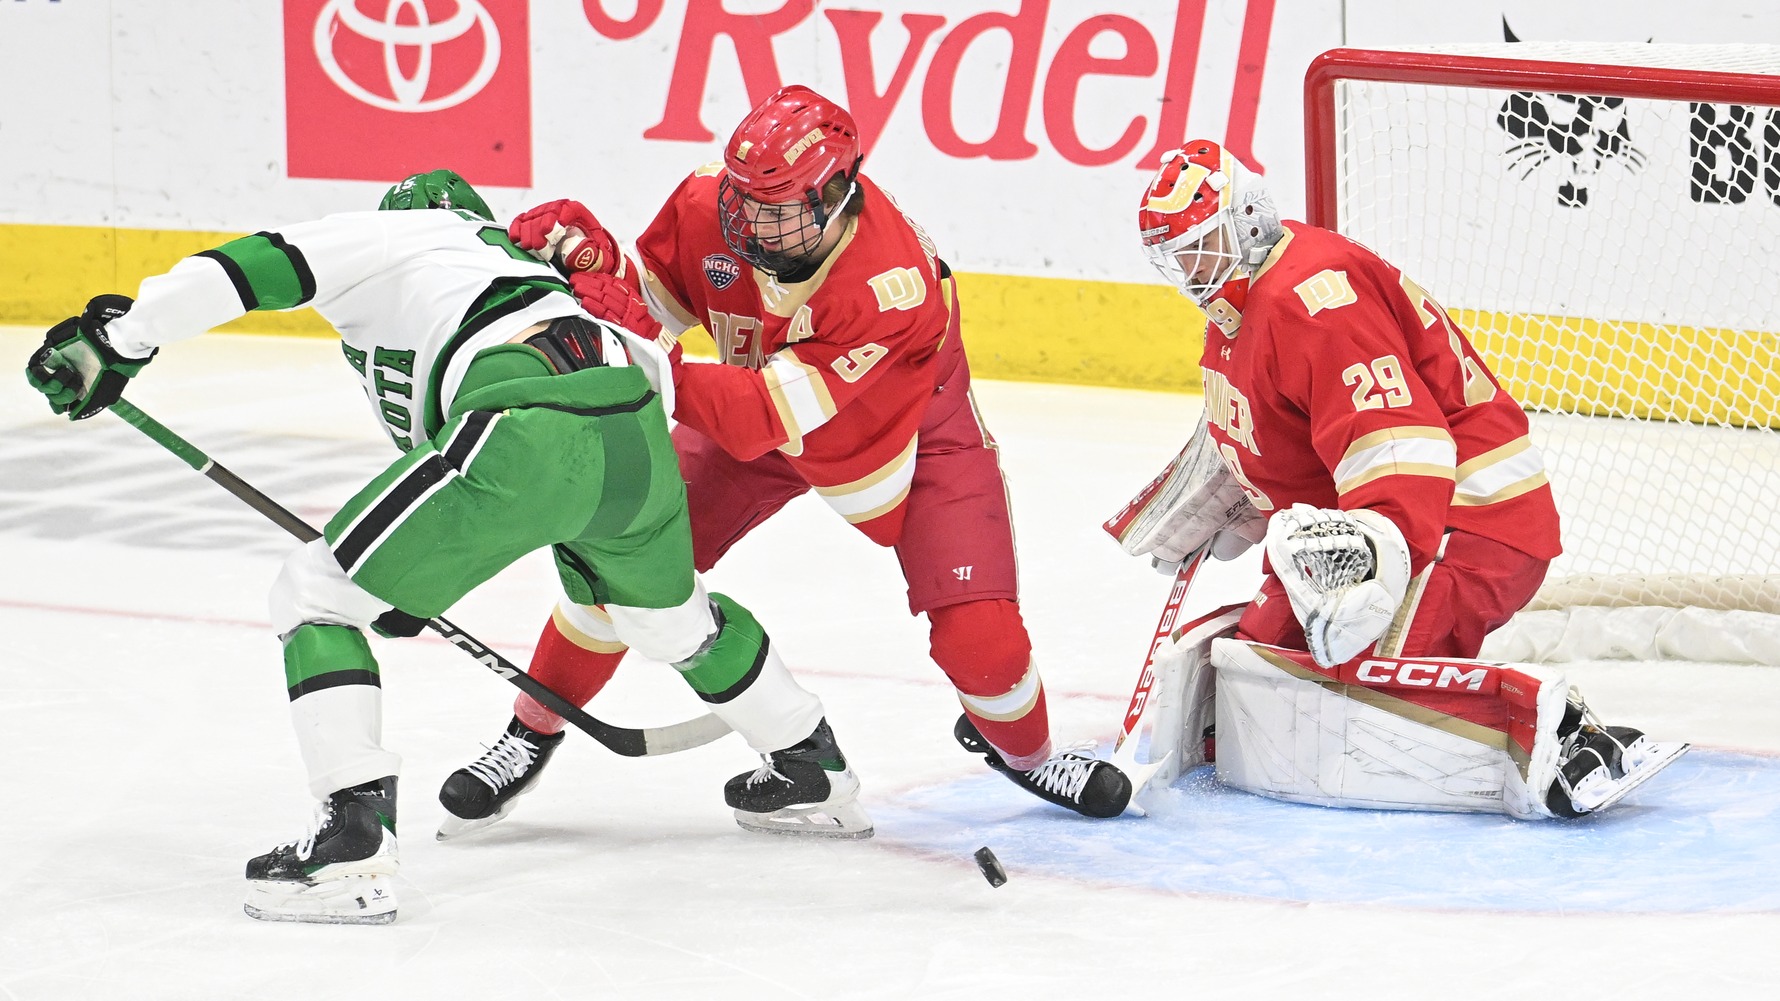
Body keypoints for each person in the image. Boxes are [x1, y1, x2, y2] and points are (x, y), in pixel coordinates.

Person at [22, 169, 864, 925]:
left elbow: (245, 266)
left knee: (316, 594)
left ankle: (349, 842)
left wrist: (121, 339)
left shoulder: (406, 232)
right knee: (669, 617)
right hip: (632, 421)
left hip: (525, 420)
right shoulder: (524, 267)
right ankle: (810, 763)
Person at [439, 84, 1132, 830]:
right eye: (746, 200)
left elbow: (759, 414)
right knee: (618, 565)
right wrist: (597, 264)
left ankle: (1026, 754)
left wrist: (640, 343)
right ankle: (530, 728)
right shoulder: (711, 205)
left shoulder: (887, 283)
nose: (753, 223)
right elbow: (654, 305)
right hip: (753, 401)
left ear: (839, 192)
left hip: (903, 430)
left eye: (779, 207)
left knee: (983, 644)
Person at [1109, 139, 1687, 819]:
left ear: (1251, 218)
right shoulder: (1244, 302)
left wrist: (1374, 566)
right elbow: (1283, 424)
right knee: (1266, 659)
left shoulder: (1314, 301)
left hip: (1463, 520)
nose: (1191, 270)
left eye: (1202, 247)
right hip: (1380, 520)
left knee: (1358, 690)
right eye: (1177, 257)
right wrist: (1240, 493)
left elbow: (1399, 446)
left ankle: (1564, 737)